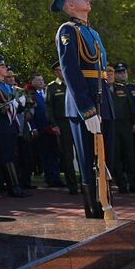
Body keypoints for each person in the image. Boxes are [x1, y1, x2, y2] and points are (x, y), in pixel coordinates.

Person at [51, 0, 115, 219]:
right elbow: (70, 70)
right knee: (89, 160)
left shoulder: (92, 32)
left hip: (103, 97)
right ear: (69, 5)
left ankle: (108, 210)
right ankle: (94, 214)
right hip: (84, 103)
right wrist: (86, 109)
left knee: (105, 158)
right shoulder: (67, 30)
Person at [0, 57, 26, 197]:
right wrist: (10, 105)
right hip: (3, 126)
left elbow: (18, 108)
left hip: (12, 125)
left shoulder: (8, 87)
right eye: (2, 66)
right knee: (7, 156)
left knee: (14, 155)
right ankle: (13, 186)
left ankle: (17, 185)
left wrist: (20, 105)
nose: (5, 68)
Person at [106, 64, 135, 193]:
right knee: (116, 156)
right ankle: (121, 185)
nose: (110, 76)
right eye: (108, 74)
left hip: (125, 124)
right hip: (111, 125)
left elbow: (130, 107)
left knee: (130, 155)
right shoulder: (101, 90)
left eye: (111, 74)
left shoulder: (121, 88)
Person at [45, 61, 79, 194]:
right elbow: (49, 108)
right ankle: (73, 186)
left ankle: (86, 184)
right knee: (67, 156)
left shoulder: (74, 83)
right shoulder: (52, 87)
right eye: (59, 70)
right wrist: (53, 125)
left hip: (76, 122)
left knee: (82, 154)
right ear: (56, 73)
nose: (62, 72)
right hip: (62, 124)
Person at [27, 71, 63, 187]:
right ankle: (50, 179)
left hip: (52, 128)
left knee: (55, 154)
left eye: (42, 80)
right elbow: (30, 113)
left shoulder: (47, 91)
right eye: (38, 80)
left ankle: (57, 178)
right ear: (32, 82)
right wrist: (33, 128)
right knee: (45, 155)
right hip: (41, 129)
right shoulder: (30, 95)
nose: (41, 82)